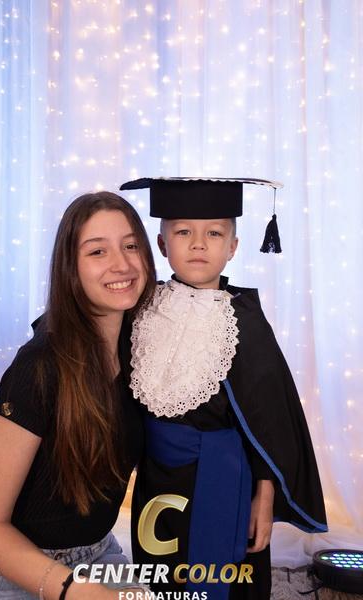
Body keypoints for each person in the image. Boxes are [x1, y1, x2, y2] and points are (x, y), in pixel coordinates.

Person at [120, 177, 328, 600]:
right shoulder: (140, 308)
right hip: (157, 477)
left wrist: (264, 495)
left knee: (230, 578)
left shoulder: (242, 321)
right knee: (162, 571)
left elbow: (270, 422)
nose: (199, 244)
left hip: (225, 477)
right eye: (183, 232)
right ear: (161, 245)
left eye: (214, 233)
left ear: (232, 247)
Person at [0, 191, 156, 599]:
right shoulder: (39, 366)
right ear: (71, 267)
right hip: (13, 565)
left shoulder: (140, 350)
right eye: (97, 251)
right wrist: (75, 590)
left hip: (98, 552)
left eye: (130, 246)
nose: (121, 264)